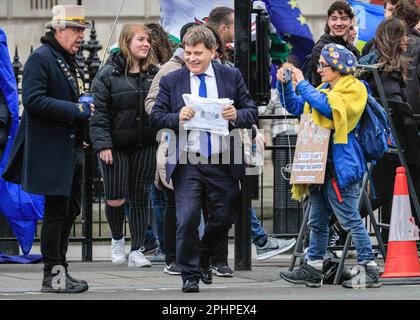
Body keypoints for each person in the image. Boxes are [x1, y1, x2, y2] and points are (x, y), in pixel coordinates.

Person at [150, 26, 258, 293]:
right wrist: (177, 117)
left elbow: (252, 110)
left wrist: (236, 115)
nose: (192, 59)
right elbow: (156, 116)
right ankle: (190, 274)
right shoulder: (172, 81)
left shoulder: (230, 75)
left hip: (223, 158)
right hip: (187, 160)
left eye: (198, 53)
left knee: (222, 217)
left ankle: (205, 254)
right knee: (186, 218)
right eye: (188, 53)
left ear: (213, 52)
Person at [2, 5, 91, 293]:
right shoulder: (42, 59)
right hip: (51, 151)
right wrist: (77, 108)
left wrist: (83, 127)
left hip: (71, 148)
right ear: (59, 30)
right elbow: (34, 100)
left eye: (83, 31)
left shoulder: (66, 59)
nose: (81, 36)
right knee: (56, 214)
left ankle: (60, 271)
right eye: (76, 30)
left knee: (69, 211)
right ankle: (52, 278)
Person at [277, 43, 381, 289]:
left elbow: (327, 107)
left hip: (341, 167)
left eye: (323, 65)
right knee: (317, 220)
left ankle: (370, 270)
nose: (319, 70)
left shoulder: (355, 89)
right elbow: (296, 106)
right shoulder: (324, 89)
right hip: (319, 165)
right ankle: (314, 269)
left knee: (349, 219)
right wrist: (285, 85)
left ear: (338, 67)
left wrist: (301, 82)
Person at [90, 24, 159, 268]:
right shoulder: (108, 74)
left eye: (148, 40)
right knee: (116, 198)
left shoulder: (154, 72)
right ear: (126, 42)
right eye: (141, 39)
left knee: (140, 198)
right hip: (115, 146)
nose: (146, 44)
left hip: (146, 145)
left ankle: (137, 250)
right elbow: (98, 115)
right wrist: (103, 145)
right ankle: (117, 239)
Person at [308, 1, 359, 87]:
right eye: (334, 19)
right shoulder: (320, 48)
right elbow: (325, 84)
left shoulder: (352, 49)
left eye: (344, 18)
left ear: (351, 22)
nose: (338, 23)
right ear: (328, 21)